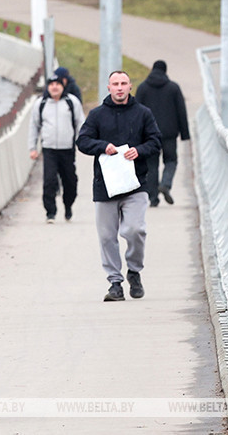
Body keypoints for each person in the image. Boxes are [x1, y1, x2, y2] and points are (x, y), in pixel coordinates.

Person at [77, 71, 161, 302]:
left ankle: (134, 270)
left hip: (135, 184)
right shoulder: (97, 115)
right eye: (115, 84)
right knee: (107, 237)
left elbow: (155, 141)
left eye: (124, 83)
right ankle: (115, 282)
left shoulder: (143, 114)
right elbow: (82, 141)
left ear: (130, 86)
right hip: (105, 187)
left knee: (134, 230)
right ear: (109, 87)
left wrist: (139, 150)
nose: (120, 88)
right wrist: (103, 147)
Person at [29, 75, 85, 223]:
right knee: (49, 181)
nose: (54, 87)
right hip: (49, 149)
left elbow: (81, 123)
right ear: (48, 87)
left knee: (70, 181)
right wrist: (32, 148)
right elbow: (34, 126)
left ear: (63, 86)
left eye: (57, 84)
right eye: (51, 84)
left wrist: (83, 142)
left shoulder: (71, 102)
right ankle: (50, 212)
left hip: (67, 149)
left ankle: (68, 206)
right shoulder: (41, 103)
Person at [134, 60, 190, 207]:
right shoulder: (173, 88)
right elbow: (181, 112)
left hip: (149, 135)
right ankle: (165, 184)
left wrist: (135, 134)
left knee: (151, 165)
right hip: (169, 133)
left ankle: (153, 198)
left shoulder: (143, 88)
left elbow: (136, 112)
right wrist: (185, 134)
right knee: (171, 161)